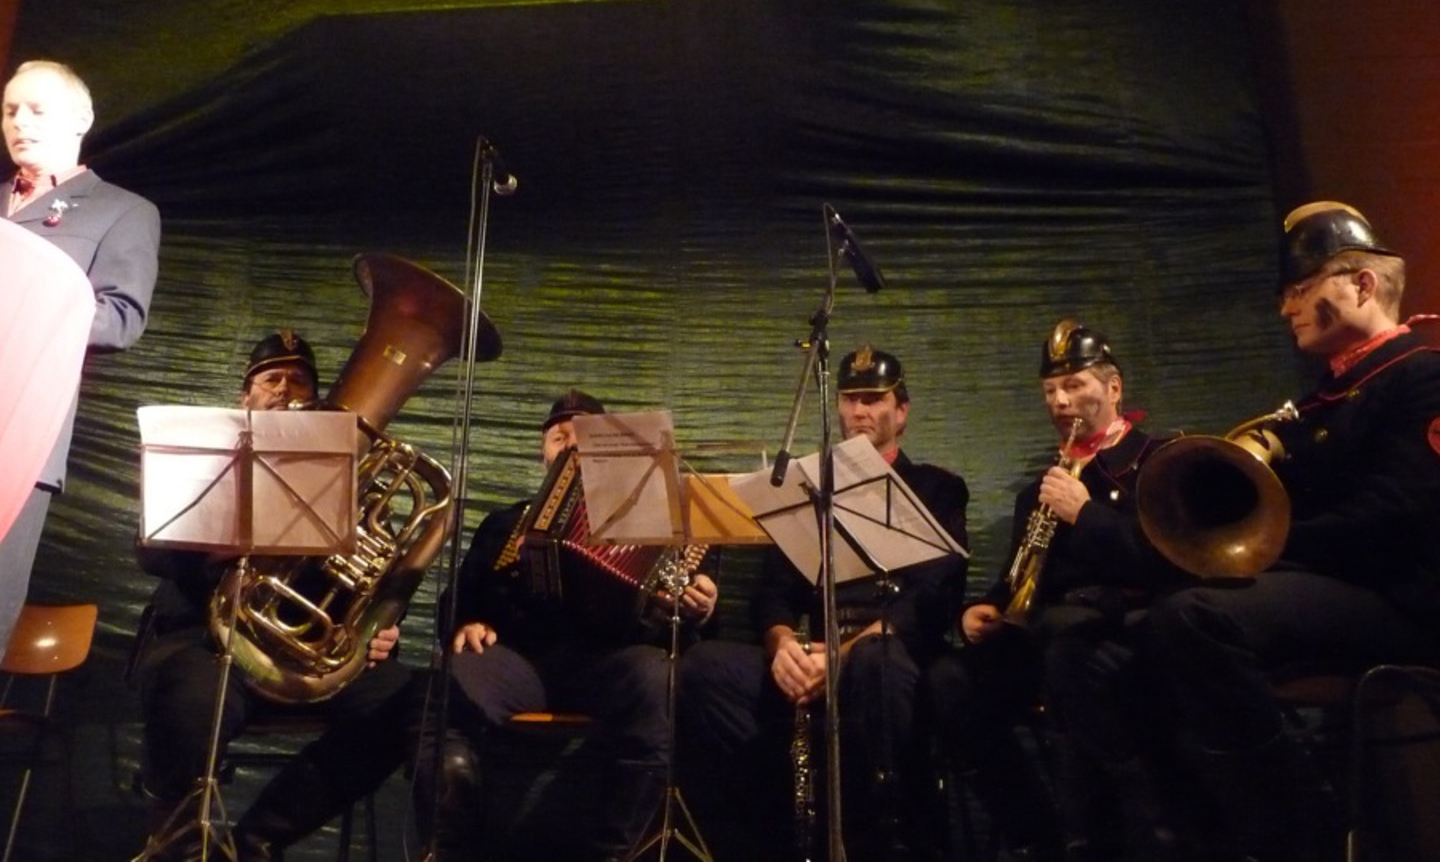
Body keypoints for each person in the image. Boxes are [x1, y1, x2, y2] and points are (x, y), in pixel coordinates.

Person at [1124, 201, 1440, 862]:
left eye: (1299, 289)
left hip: (1400, 602)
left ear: (1362, 284)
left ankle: (1301, 840)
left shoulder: (1435, 374)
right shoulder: (1318, 401)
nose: (1284, 308)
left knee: (1196, 618)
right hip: (1327, 593)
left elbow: (1403, 513)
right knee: (1130, 635)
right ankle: (1205, 839)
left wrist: (1276, 547)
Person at [0, 59, 160, 862]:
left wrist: (22, 300)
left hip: (9, 459)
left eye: (40, 110)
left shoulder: (122, 212)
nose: (20, 123)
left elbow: (120, 319)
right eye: (12, 109)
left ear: (81, 122)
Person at [131, 331, 419, 862]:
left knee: (409, 700)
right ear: (245, 396)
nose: (285, 389)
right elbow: (151, 554)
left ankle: (258, 841)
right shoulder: (202, 457)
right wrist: (211, 549)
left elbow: (375, 581)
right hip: (202, 640)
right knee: (189, 699)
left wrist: (377, 632)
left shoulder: (353, 477)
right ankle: (176, 846)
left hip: (306, 653)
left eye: (299, 380)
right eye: (271, 379)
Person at [678, 346, 970, 862]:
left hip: (886, 650)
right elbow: (773, 595)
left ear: (902, 412)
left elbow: (932, 596)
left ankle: (884, 843)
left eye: (873, 399)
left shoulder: (938, 487)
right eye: (850, 399)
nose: (859, 411)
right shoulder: (809, 488)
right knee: (705, 667)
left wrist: (842, 655)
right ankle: (770, 829)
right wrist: (784, 647)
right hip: (814, 652)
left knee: (877, 665)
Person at [925, 320, 1184, 862]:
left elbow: (1166, 562)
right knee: (951, 680)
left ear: (1114, 388)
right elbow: (1016, 578)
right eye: (1050, 391)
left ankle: (1134, 835)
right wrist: (985, 607)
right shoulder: (1039, 489)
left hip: (1126, 629)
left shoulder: (1157, 460)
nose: (1060, 402)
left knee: (1070, 654)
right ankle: (1035, 832)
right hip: (1049, 636)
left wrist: (1085, 514)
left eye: (1074, 385)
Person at [426, 388, 721, 862]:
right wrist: (466, 624)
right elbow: (455, 602)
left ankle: (613, 852)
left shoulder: (654, 525)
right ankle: (451, 847)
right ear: (542, 452)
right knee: (448, 681)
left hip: (609, 668)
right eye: (558, 438)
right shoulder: (505, 523)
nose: (571, 447)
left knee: (657, 678)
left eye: (585, 439)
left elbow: (685, 627)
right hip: (521, 664)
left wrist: (699, 607)